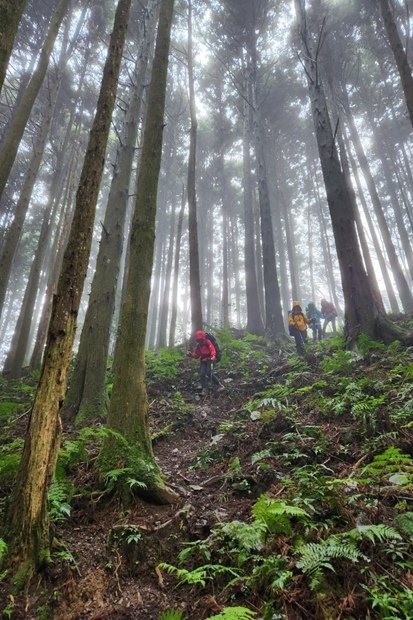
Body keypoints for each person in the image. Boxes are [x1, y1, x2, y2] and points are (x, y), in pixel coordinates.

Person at [187, 330, 223, 394]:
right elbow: (196, 355)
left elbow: (212, 350)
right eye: (198, 340)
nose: (199, 341)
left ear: (202, 338)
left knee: (209, 373)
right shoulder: (199, 346)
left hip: (210, 359)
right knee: (202, 373)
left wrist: (213, 356)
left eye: (200, 340)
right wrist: (191, 355)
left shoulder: (207, 342)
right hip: (203, 360)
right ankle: (204, 389)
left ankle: (220, 385)